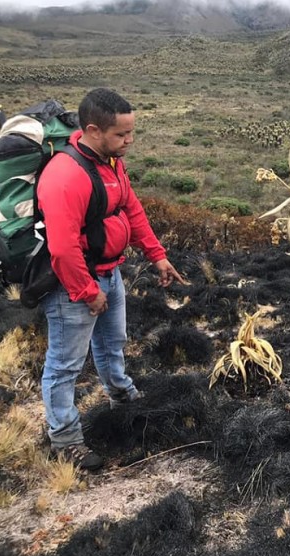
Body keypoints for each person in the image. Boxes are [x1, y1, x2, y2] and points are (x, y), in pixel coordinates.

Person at [37, 88, 185, 471]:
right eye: (122, 134)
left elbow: (131, 209)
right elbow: (62, 248)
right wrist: (87, 293)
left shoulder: (111, 161)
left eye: (131, 132)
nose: (129, 141)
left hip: (110, 273)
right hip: (74, 284)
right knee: (65, 365)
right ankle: (65, 439)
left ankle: (123, 397)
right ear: (92, 129)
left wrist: (158, 256)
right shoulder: (65, 175)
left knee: (112, 344)